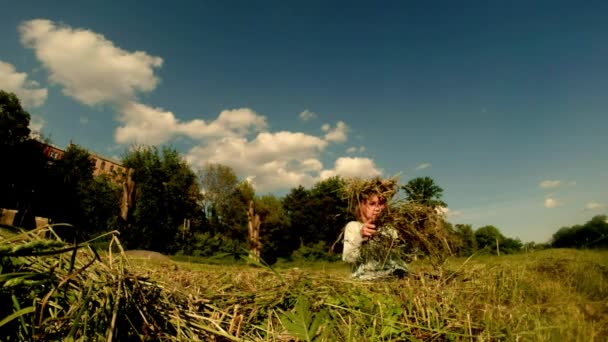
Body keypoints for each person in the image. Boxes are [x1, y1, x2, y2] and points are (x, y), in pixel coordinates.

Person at [342, 188, 408, 280]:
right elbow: (348, 259)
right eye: (372, 204)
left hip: (391, 275)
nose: (377, 208)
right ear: (361, 205)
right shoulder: (353, 227)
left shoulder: (389, 229)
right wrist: (361, 237)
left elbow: (400, 259)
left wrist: (408, 242)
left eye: (381, 204)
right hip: (365, 277)